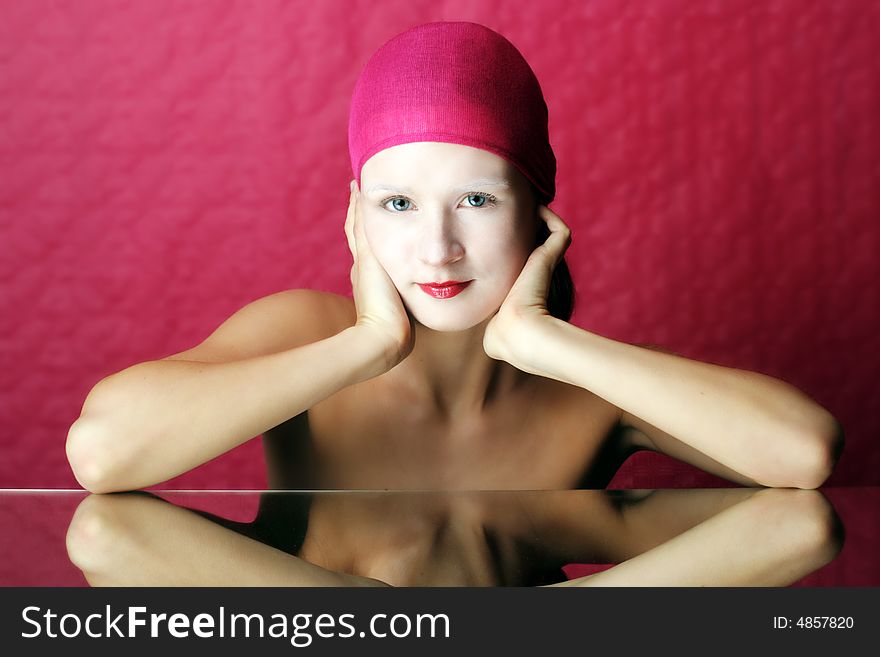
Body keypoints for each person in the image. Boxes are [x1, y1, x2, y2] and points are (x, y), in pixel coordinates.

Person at [65, 21, 843, 495]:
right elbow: (102, 451)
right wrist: (369, 343)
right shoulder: (304, 328)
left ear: (539, 212)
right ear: (356, 217)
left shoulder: (584, 389)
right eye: (397, 204)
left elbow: (804, 453)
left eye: (476, 200)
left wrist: (542, 341)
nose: (436, 247)